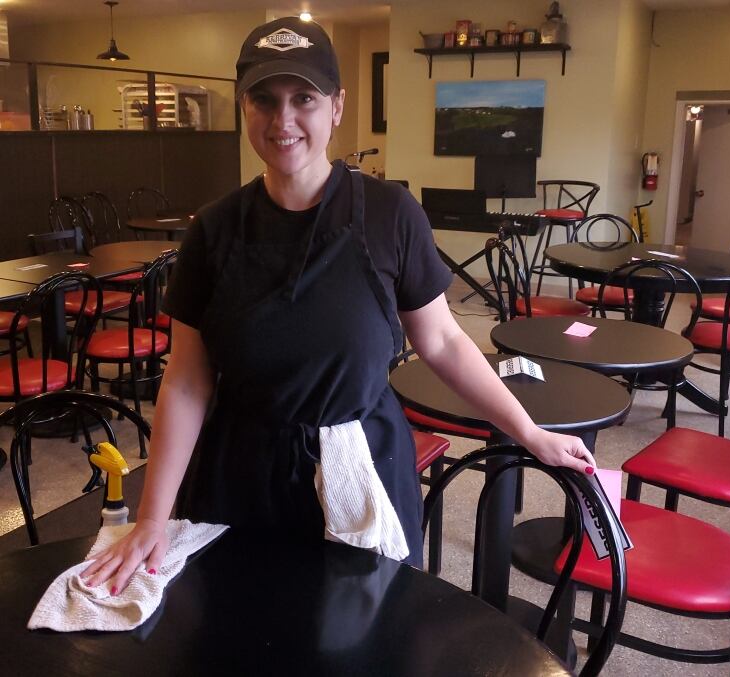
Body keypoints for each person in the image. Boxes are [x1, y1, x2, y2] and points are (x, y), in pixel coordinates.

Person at [84, 17, 595, 593]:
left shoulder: (390, 214)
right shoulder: (215, 229)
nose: (284, 121)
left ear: (336, 106)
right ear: (244, 107)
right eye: (264, 99)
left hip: (363, 463)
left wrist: (529, 431)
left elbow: (444, 341)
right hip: (238, 473)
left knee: (364, 637)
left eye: (304, 97)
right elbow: (185, 380)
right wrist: (153, 517)